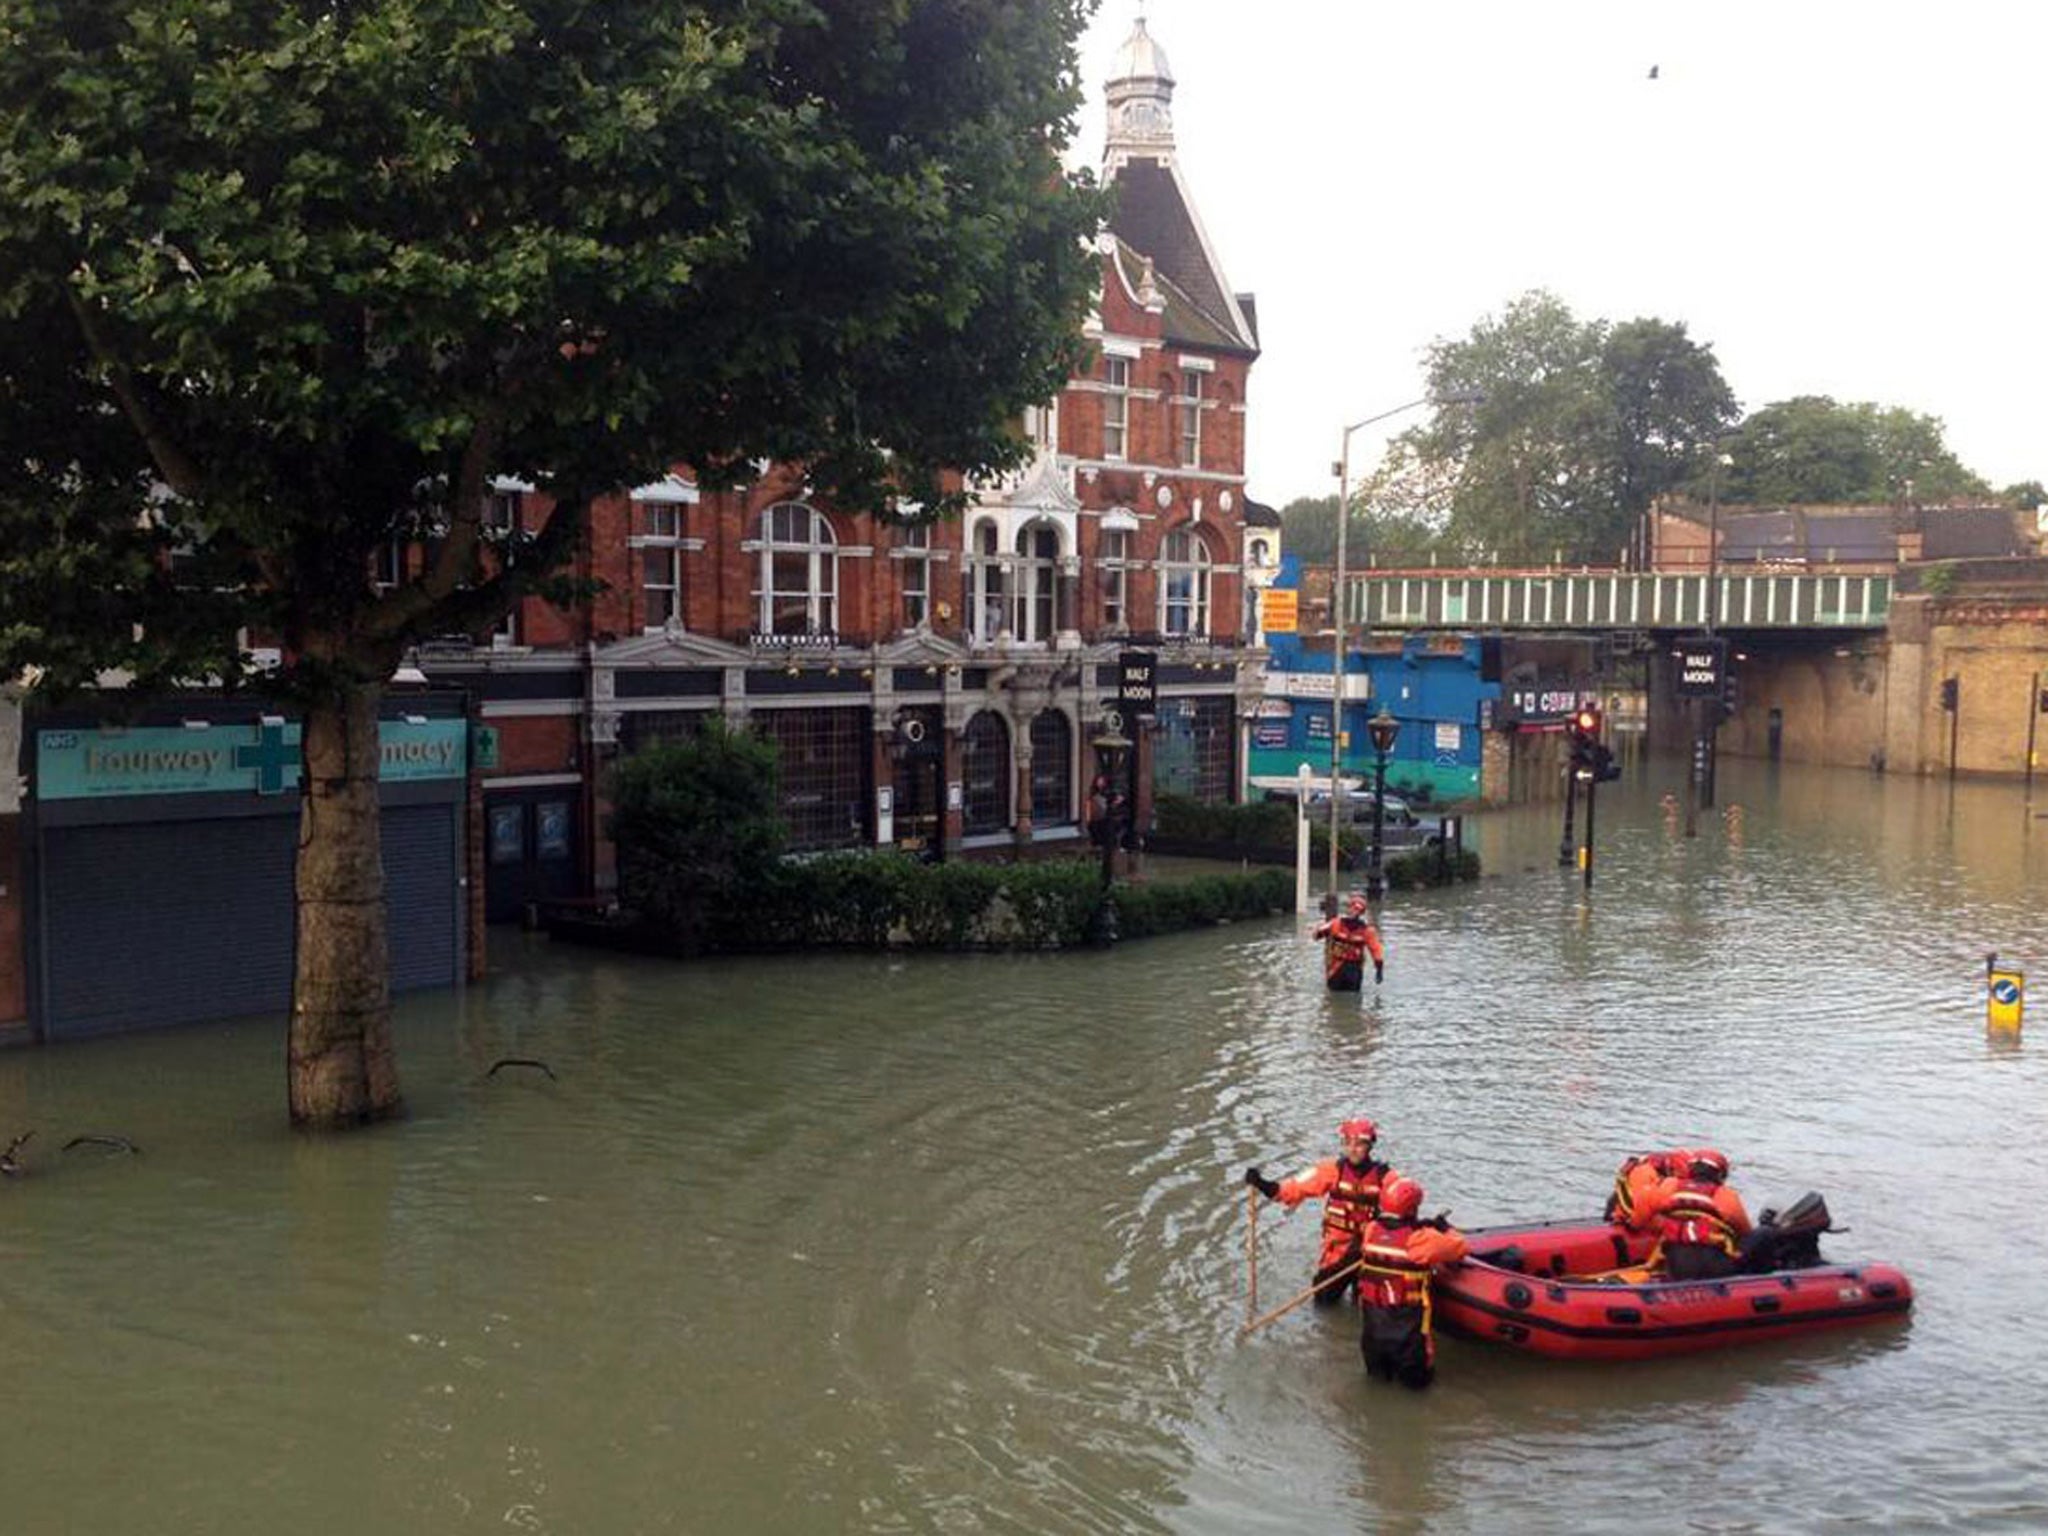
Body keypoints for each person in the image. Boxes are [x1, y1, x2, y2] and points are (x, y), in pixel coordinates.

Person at [1244, 1117, 1392, 1307]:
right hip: (1337, 1251)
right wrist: (1263, 1184)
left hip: (1368, 1252)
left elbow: (1404, 1204)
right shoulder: (1330, 1170)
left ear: (1370, 1145)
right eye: (1348, 1143)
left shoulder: (1384, 1176)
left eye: (1359, 1144)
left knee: (1367, 1306)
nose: (1353, 1149)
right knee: (1322, 1301)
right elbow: (1293, 1188)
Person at [1355, 1174, 1469, 1389]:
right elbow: (1460, 1247)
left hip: (1372, 1332)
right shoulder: (1420, 1239)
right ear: (1413, 1208)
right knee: (1416, 1387)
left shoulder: (1371, 1230)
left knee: (1377, 1384)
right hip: (1407, 1334)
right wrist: (1443, 1228)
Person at [1635, 1149, 1753, 1280]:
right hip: (1712, 1267)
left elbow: (1643, 1205)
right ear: (1720, 1174)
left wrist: (1638, 1225)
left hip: (1673, 1264)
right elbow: (1746, 1232)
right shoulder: (1727, 1196)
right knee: (1763, 1236)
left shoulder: (1670, 1185)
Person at [1310, 894, 1384, 991]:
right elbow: (1376, 952)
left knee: (1338, 997)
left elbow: (1316, 935)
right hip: (1346, 968)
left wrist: (1379, 970)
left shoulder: (1337, 924)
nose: (1353, 911)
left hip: (1344, 968)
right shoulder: (1366, 931)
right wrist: (1379, 971)